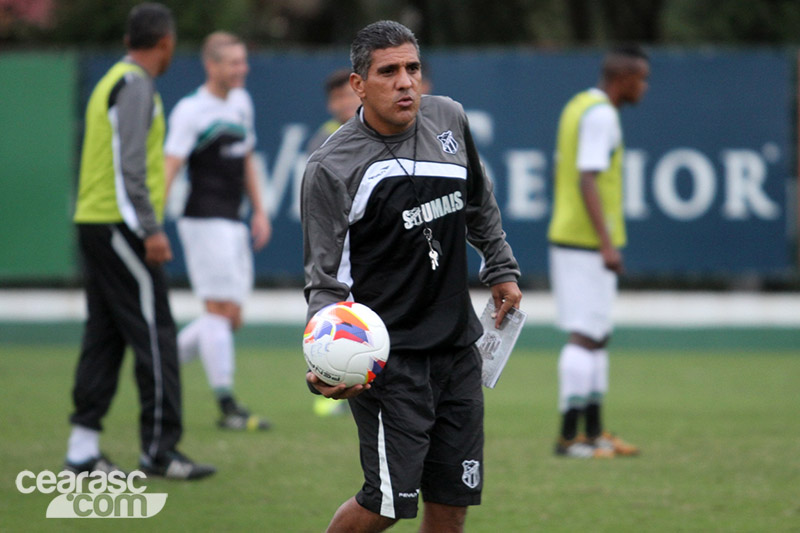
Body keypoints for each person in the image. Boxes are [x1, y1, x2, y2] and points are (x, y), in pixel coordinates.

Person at [301, 20, 522, 533]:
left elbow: (479, 201)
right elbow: (323, 279)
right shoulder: (331, 167)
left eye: (412, 68)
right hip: (386, 360)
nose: (405, 82)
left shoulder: (449, 117)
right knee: (384, 504)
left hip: (457, 350)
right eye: (389, 71)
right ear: (358, 84)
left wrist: (502, 267)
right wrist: (324, 358)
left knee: (451, 499)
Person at [66, 2, 215, 480]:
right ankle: (159, 450)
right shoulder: (134, 85)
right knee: (155, 334)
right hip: (120, 226)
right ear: (165, 42)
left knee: (105, 335)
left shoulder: (110, 81)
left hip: (96, 220)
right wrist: (151, 229)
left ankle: (81, 450)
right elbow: (131, 166)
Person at [164, 31, 272, 431]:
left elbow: (246, 160)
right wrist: (151, 220)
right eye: (233, 62)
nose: (241, 69)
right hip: (203, 219)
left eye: (243, 61)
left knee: (231, 318)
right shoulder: (191, 111)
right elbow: (170, 164)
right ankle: (227, 405)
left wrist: (259, 210)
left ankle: (161, 363)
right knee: (218, 311)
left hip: (232, 218)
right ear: (212, 66)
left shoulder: (241, 102)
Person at [547, 45, 649, 459]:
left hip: (575, 237)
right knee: (584, 335)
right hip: (585, 242)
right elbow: (588, 179)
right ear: (621, 78)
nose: (644, 87)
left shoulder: (580, 104)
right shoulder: (603, 114)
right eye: (640, 78)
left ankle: (593, 433)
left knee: (597, 335)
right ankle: (570, 437)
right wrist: (606, 244)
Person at [305, 68, 362, 156]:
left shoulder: (384, 127)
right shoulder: (323, 140)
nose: (346, 102)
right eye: (339, 97)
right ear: (329, 105)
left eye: (351, 95)